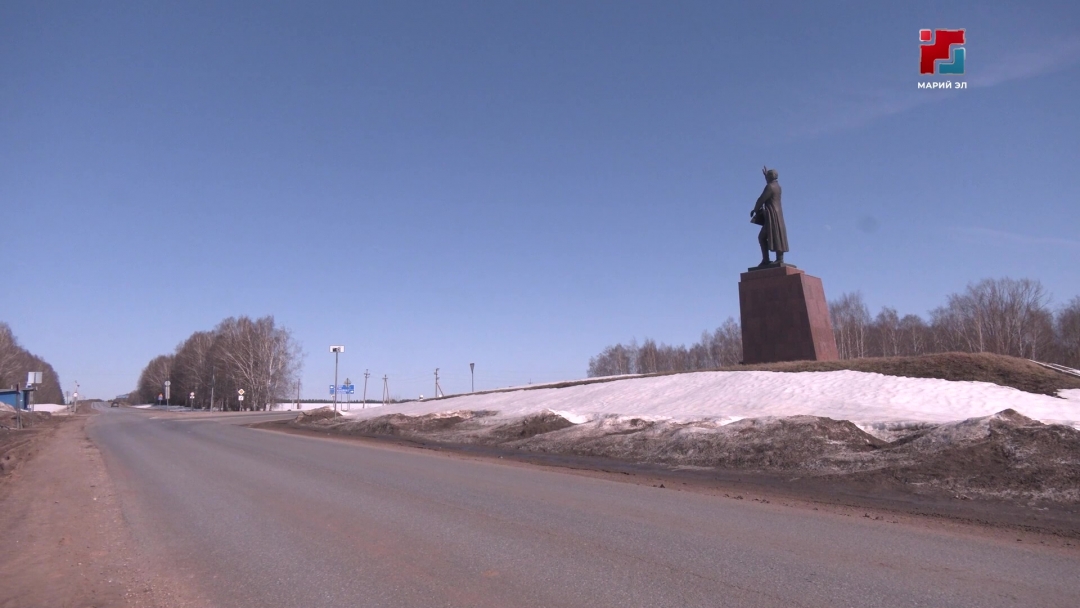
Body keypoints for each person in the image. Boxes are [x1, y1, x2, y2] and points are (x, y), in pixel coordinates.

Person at [751, 166, 789, 267]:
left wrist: (755, 209)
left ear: (769, 177)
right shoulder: (777, 186)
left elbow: (761, 199)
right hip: (777, 215)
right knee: (777, 234)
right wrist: (767, 177)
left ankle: (766, 260)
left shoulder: (770, 187)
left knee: (762, 237)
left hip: (772, 215)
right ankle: (778, 258)